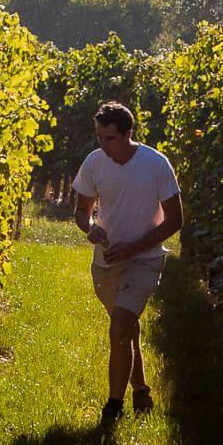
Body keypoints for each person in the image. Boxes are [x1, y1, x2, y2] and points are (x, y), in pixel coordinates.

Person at [72, 101, 183, 423]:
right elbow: (82, 211)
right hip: (106, 261)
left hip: (145, 258)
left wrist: (133, 249)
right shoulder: (94, 163)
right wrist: (91, 229)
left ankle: (113, 409)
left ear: (128, 134)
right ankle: (142, 392)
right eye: (99, 137)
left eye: (109, 138)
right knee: (127, 330)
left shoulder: (156, 164)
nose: (102, 145)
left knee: (120, 326)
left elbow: (175, 220)